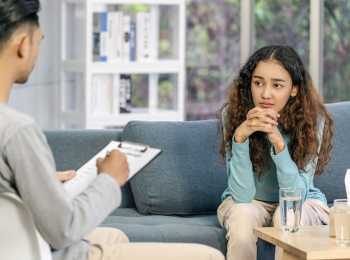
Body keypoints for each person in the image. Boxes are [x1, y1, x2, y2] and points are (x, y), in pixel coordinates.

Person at [0, 1, 225, 260]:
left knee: (115, 236)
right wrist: (109, 179)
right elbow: (63, 229)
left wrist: (42, 182)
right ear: (23, 45)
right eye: (39, 41)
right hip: (43, 251)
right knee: (208, 256)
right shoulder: (17, 131)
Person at [217, 45, 333, 260]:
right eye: (258, 83)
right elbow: (242, 197)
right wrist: (240, 138)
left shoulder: (312, 119)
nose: (265, 94)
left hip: (303, 200)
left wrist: (279, 145)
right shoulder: (232, 114)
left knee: (287, 215)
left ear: (294, 89)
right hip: (250, 202)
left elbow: (296, 195)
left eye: (277, 85)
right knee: (243, 214)